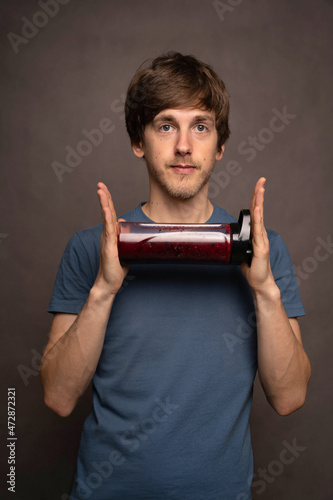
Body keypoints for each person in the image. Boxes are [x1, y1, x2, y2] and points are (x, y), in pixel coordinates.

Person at [40, 52, 311, 500]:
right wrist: (104, 289)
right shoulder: (91, 247)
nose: (184, 145)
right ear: (138, 141)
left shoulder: (263, 250)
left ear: (219, 146)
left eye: (200, 126)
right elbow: (58, 397)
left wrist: (264, 289)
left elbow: (289, 398)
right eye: (166, 125)